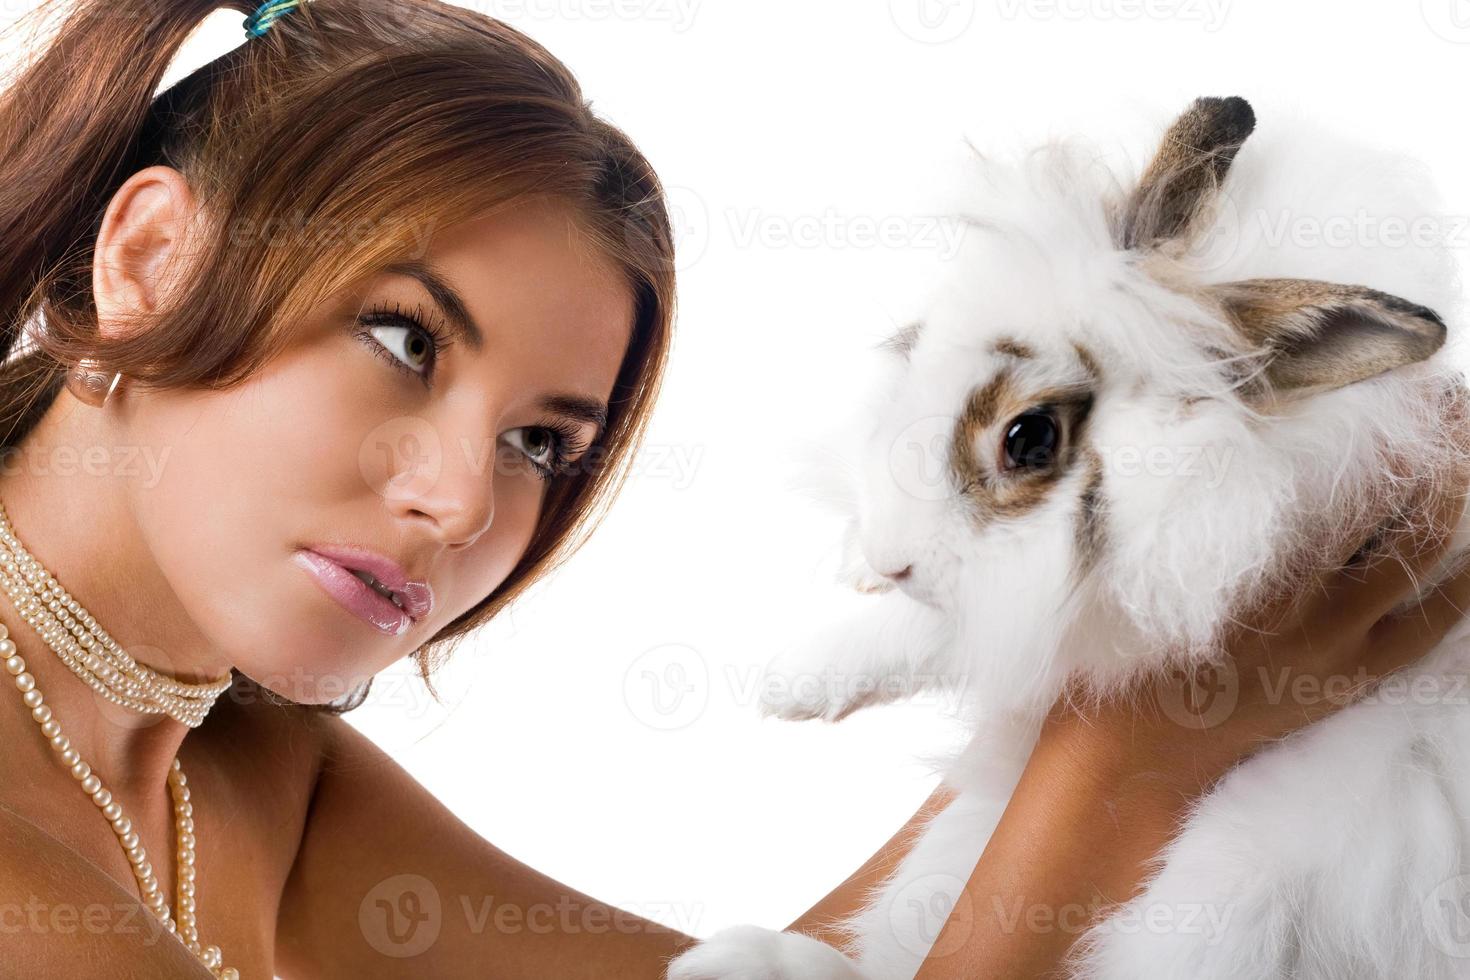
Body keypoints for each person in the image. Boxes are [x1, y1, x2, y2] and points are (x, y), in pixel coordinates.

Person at [1, 1, 1467, 978]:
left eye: (541, 442)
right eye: (403, 341)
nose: (462, 504)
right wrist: (1122, 767)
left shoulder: (240, 772)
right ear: (147, 261)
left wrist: (1107, 669)